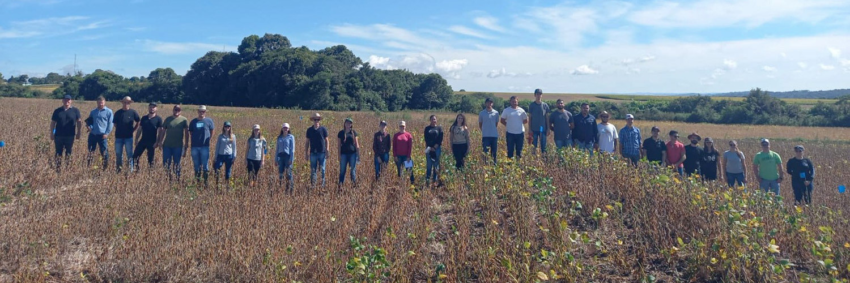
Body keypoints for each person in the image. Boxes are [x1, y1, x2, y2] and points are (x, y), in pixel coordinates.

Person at [50, 95, 82, 171]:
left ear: (71, 101)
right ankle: (58, 169)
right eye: (65, 100)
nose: (67, 101)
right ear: (62, 100)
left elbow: (79, 122)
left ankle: (67, 169)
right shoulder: (57, 111)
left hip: (70, 136)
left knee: (69, 152)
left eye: (68, 100)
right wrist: (51, 133)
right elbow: (53, 123)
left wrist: (79, 132)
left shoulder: (75, 111)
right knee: (58, 153)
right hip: (58, 136)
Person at [159, 105, 189, 180]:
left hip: (178, 146)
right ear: (173, 110)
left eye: (178, 110)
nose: (177, 111)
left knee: (177, 163)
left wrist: (186, 144)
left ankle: (177, 178)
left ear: (180, 111)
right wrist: (160, 141)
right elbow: (163, 131)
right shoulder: (168, 119)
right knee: (166, 163)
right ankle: (168, 178)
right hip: (167, 145)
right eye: (175, 110)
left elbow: (186, 133)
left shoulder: (184, 120)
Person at [112, 96, 140, 173]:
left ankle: (130, 170)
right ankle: (119, 170)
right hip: (118, 137)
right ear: (122, 102)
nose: (126, 104)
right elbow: (115, 124)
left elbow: (138, 121)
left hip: (129, 137)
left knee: (129, 154)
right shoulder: (118, 113)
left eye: (128, 102)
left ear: (130, 103)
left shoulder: (133, 112)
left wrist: (133, 130)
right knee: (118, 154)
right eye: (124, 102)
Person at [189, 105, 214, 186]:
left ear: (205, 112)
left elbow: (212, 131)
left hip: (204, 147)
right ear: (198, 112)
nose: (201, 113)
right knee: (196, 165)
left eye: (203, 111)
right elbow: (191, 133)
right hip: (194, 147)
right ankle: (198, 182)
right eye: (200, 111)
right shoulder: (193, 122)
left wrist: (209, 140)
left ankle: (206, 183)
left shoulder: (209, 121)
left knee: (205, 165)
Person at [132, 102, 162, 171]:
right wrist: (136, 139)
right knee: (135, 156)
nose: (152, 109)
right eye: (151, 107)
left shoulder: (158, 119)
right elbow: (140, 129)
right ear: (148, 108)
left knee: (150, 159)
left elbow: (160, 132)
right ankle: (136, 171)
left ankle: (150, 173)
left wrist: (157, 142)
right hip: (143, 140)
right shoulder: (144, 118)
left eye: (153, 107)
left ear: (156, 109)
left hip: (152, 142)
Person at [86, 96, 113, 170]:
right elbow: (89, 121)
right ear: (97, 103)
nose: (100, 104)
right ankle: (89, 167)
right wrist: (88, 126)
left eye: (102, 102)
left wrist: (107, 133)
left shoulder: (109, 112)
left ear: (104, 102)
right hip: (93, 135)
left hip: (102, 135)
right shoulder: (93, 111)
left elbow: (110, 124)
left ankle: (105, 168)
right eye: (99, 102)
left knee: (104, 152)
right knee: (91, 151)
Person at [305, 113, 329, 187]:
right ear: (313, 120)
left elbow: (327, 140)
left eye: (317, 119)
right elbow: (307, 142)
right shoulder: (309, 130)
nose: (316, 121)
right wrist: (306, 153)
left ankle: (322, 185)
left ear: (319, 120)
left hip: (322, 152)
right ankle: (313, 185)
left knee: (322, 170)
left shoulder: (323, 129)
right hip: (313, 153)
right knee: (313, 170)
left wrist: (327, 150)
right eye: (315, 119)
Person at [213, 121, 237, 187]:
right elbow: (217, 147)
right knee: (217, 168)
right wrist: (215, 156)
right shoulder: (220, 136)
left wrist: (234, 156)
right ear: (223, 127)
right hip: (220, 155)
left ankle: (227, 185)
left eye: (228, 126)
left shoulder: (233, 136)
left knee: (228, 171)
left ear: (230, 127)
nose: (227, 128)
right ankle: (217, 183)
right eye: (226, 126)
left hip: (229, 156)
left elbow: (234, 147)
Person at [337, 118, 360, 187]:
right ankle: (340, 186)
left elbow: (357, 144)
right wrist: (339, 155)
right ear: (344, 124)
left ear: (351, 125)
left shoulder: (353, 133)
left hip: (352, 154)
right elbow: (339, 145)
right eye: (347, 123)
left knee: (352, 171)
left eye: (349, 123)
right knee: (342, 171)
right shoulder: (341, 133)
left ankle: (354, 186)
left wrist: (358, 155)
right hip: (343, 154)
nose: (348, 124)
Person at [527, 89, 550, 155]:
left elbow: (547, 118)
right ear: (535, 95)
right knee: (534, 145)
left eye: (540, 94)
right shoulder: (532, 105)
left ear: (541, 95)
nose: (539, 95)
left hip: (542, 129)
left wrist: (548, 128)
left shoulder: (545, 105)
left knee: (543, 145)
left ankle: (544, 158)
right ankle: (534, 159)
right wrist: (530, 129)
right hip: (534, 129)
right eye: (537, 94)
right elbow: (530, 117)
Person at [424, 115, 444, 185]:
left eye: (435, 119)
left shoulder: (439, 128)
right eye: (432, 119)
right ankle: (427, 181)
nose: (434, 120)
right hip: (429, 148)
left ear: (436, 120)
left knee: (436, 165)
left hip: (437, 149)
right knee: (429, 165)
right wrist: (430, 148)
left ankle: (434, 181)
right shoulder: (427, 128)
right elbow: (426, 139)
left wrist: (435, 147)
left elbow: (440, 138)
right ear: (430, 120)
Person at [478, 98, 499, 164]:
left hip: (494, 136)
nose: (489, 104)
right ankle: (485, 166)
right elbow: (480, 124)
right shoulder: (482, 113)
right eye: (488, 102)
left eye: (490, 103)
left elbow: (496, 124)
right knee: (485, 153)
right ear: (485, 103)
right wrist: (484, 130)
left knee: (494, 153)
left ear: (492, 104)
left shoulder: (496, 113)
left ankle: (494, 167)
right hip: (485, 136)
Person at [276, 123, 295, 193]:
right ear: (282, 129)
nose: (285, 129)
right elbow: (277, 149)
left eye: (286, 128)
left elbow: (292, 149)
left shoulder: (291, 137)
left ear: (289, 129)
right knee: (281, 173)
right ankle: (281, 188)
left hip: (288, 156)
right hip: (280, 156)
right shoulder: (279, 137)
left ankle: (290, 189)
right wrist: (276, 159)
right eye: (284, 128)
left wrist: (291, 159)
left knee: (289, 174)